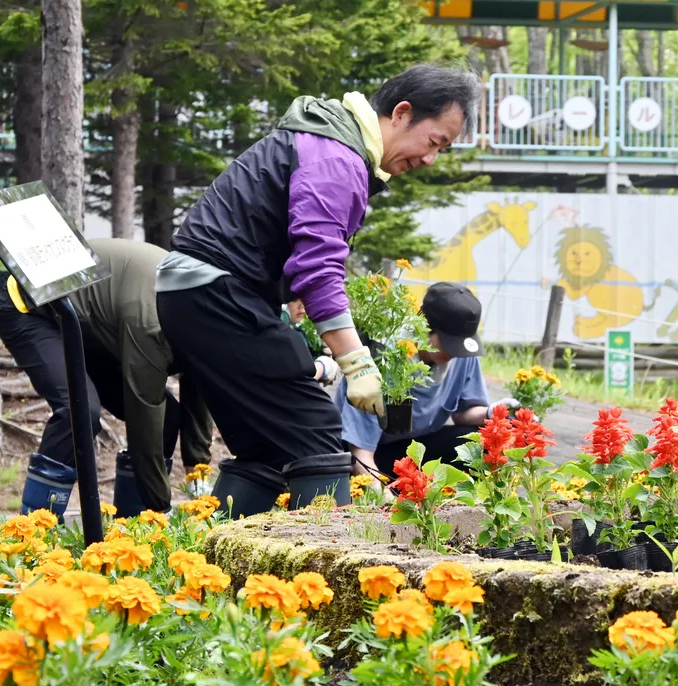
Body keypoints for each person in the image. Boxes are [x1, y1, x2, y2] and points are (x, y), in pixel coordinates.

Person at [154, 63, 481, 516]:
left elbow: (293, 251)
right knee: (316, 429)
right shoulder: (337, 157)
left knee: (267, 446)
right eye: (434, 143)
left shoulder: (332, 142)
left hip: (199, 293)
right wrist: (355, 361)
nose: (430, 159)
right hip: (216, 293)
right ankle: (330, 569)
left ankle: (204, 563)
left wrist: (290, 308)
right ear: (403, 113)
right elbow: (319, 266)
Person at [0, 238, 214, 519]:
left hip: (92, 324)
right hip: (28, 305)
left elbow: (198, 385)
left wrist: (198, 470)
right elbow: (144, 409)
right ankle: (34, 532)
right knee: (80, 411)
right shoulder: (152, 321)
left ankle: (132, 527)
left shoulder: (204, 322)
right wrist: (160, 509)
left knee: (170, 415)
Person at [337, 282, 518, 479]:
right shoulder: (383, 354)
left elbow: (462, 415)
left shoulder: (462, 355)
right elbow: (360, 452)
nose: (453, 353)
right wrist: (381, 495)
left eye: (460, 346)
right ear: (423, 326)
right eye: (450, 343)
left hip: (416, 449)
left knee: (483, 438)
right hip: (365, 454)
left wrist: (496, 412)